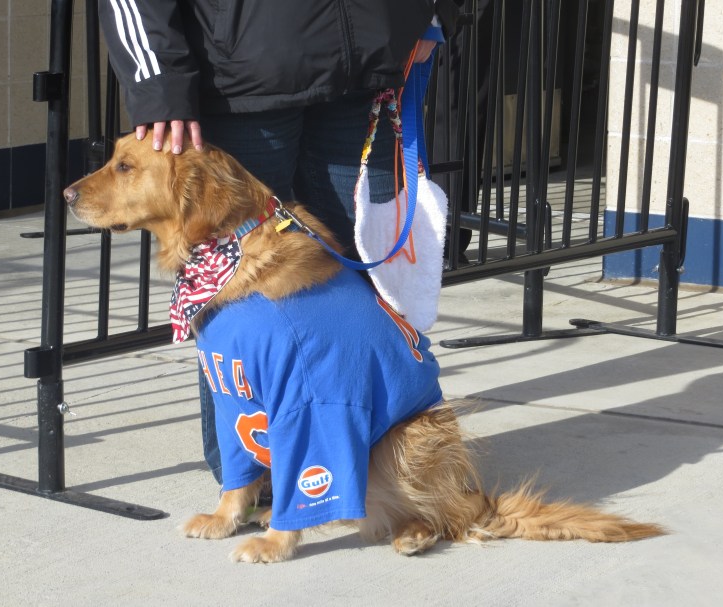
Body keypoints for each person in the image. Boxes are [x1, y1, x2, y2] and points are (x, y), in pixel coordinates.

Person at [98, 0, 462, 483]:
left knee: (363, 299)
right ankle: (253, 484)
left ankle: (366, 471)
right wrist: (157, 81)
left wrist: (431, 13)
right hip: (239, 75)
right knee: (237, 298)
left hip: (368, 61)